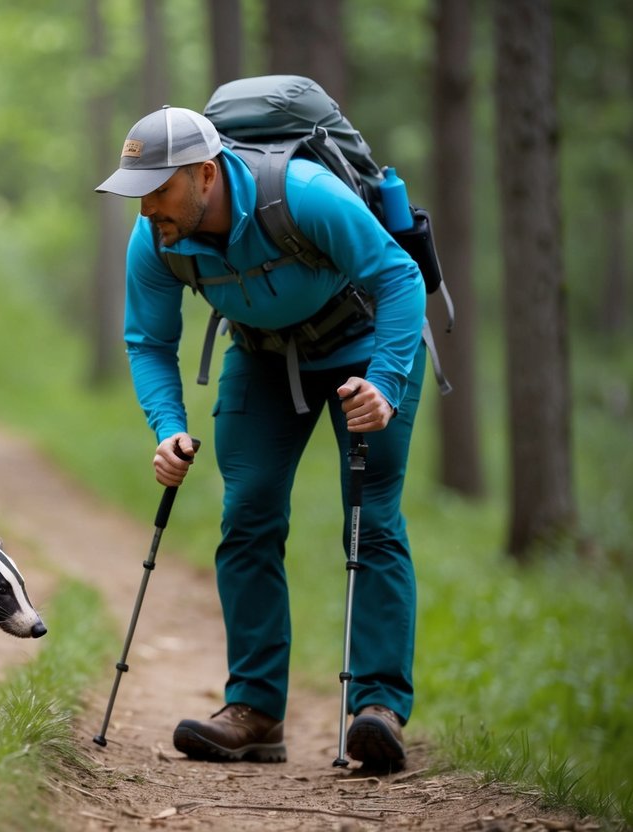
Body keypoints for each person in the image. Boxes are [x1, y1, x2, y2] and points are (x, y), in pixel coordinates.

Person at [95, 105, 426, 771]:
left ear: (205, 175)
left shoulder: (303, 196)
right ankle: (254, 710)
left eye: (158, 190)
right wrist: (169, 430)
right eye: (137, 193)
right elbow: (148, 340)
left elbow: (399, 277)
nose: (145, 209)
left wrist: (385, 386)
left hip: (363, 344)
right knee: (245, 514)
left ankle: (377, 708)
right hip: (262, 355)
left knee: (371, 518)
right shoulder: (156, 238)